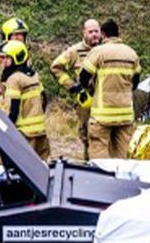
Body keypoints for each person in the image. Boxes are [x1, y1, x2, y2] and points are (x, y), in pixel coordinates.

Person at [78, 19, 141, 160]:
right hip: (125, 115)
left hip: (102, 115)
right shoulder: (132, 54)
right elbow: (135, 83)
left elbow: (83, 78)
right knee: (122, 157)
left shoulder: (98, 52)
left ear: (104, 34)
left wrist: (91, 89)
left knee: (99, 158)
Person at [50, 18, 102, 159]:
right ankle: (88, 162)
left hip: (106, 100)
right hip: (87, 101)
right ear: (84, 33)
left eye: (96, 31)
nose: (94, 35)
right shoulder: (75, 51)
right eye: (90, 32)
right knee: (87, 135)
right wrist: (73, 87)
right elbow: (56, 67)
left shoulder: (106, 49)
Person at [2, 40, 51, 160]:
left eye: (7, 58)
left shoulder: (14, 79)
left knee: (23, 166)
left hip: (25, 135)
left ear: (17, 58)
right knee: (43, 165)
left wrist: (6, 129)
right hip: (41, 132)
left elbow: (13, 109)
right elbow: (44, 99)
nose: (4, 61)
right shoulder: (34, 75)